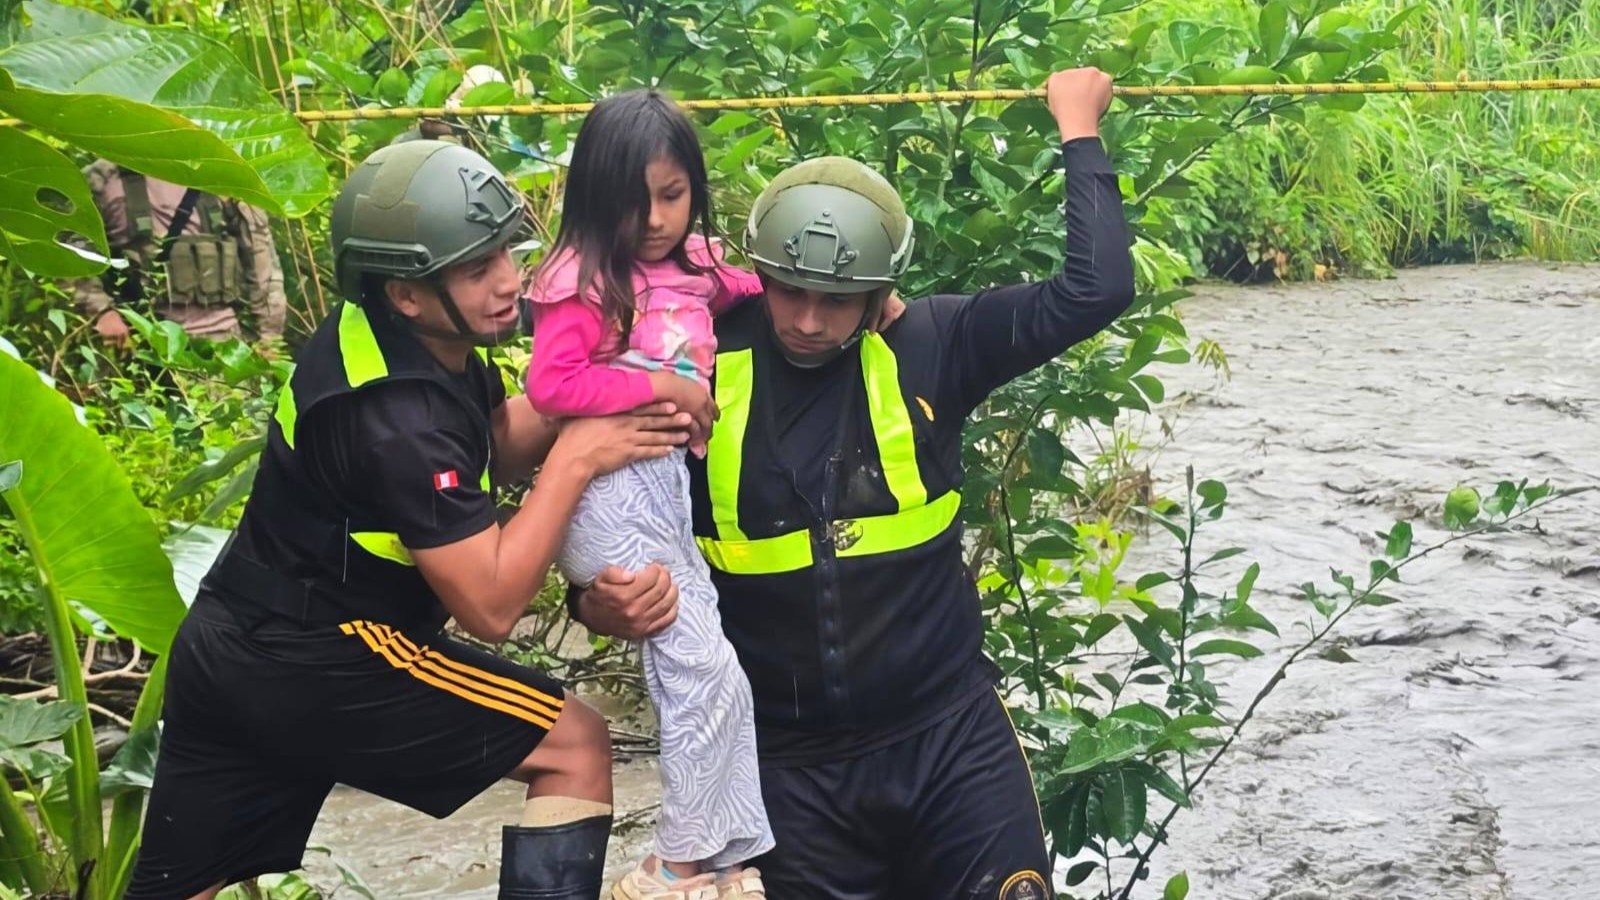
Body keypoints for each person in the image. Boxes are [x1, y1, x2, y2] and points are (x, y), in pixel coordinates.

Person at [569, 67, 1134, 899]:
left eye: (837, 299)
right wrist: (594, 606)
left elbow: (1097, 288)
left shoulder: (937, 342)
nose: (805, 319)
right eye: (789, 291)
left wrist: (1077, 130)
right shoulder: (684, 360)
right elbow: (610, 526)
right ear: (757, 270)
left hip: (951, 745)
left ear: (880, 291)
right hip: (789, 773)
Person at [128, 140, 691, 900]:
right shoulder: (395, 418)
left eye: (505, 254)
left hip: (229, 644)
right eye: (473, 270)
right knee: (575, 746)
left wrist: (603, 397)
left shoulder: (404, 340)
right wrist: (575, 461)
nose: (506, 284)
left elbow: (487, 444)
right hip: (331, 651)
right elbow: (491, 605)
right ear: (405, 293)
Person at [523, 89, 776, 900]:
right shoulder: (582, 280)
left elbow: (761, 289)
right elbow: (551, 383)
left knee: (718, 672)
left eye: (673, 195)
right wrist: (657, 381)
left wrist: (863, 294)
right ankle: (674, 861)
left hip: (661, 486)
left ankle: (725, 850)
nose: (657, 218)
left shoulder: (694, 266)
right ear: (597, 199)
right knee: (696, 662)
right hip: (605, 488)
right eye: (635, 202)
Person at [73, 160, 288, 345]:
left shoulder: (220, 175)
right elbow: (69, 253)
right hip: (139, 343)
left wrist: (269, 338)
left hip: (222, 345)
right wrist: (102, 313)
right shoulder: (101, 181)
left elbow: (261, 261)